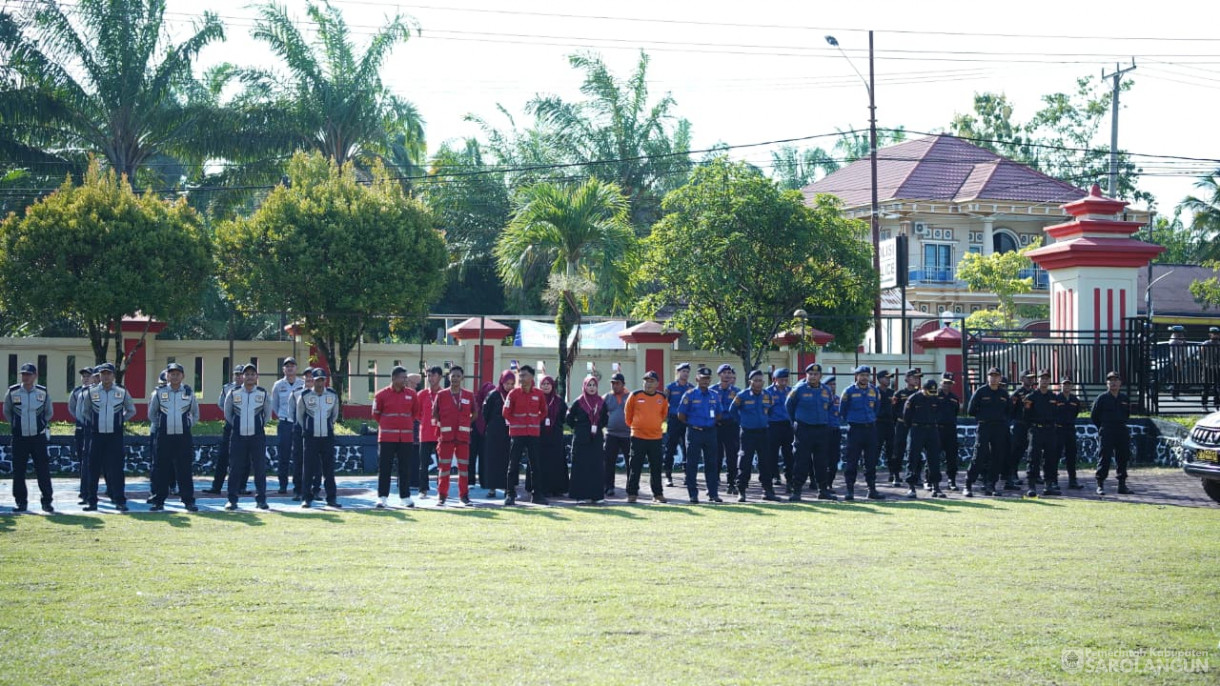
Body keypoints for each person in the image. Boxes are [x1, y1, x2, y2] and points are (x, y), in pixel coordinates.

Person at [80, 362, 135, 511]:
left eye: (108, 373)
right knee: (93, 469)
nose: (106, 376)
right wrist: (94, 422)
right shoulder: (92, 392)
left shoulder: (122, 392)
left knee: (116, 469)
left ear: (113, 375)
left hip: (115, 436)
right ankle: (92, 501)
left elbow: (131, 410)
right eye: (103, 374)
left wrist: (120, 420)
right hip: (96, 435)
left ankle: (119, 500)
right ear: (99, 375)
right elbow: (85, 411)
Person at [147, 363, 199, 512]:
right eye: (172, 374)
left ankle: (188, 500)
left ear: (183, 376)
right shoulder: (159, 393)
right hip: (164, 436)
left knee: (184, 469)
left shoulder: (189, 393)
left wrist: (187, 424)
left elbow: (195, 414)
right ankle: (159, 501)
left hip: (183, 436)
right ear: (167, 376)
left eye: (177, 374)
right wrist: (161, 425)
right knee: (161, 469)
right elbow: (152, 414)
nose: (175, 376)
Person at [3, 362, 55, 513]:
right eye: (23, 374)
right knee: (19, 471)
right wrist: (16, 424)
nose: (25, 377)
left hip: (38, 438)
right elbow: (7, 411)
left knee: (43, 470)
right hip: (20, 438)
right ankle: (21, 502)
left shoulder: (42, 392)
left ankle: (47, 502)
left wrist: (40, 424)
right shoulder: (13, 392)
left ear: (35, 376)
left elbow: (49, 412)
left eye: (28, 374)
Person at [223, 364, 271, 511]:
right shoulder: (233, 393)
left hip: (257, 436)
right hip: (238, 436)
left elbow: (267, 415)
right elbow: (228, 413)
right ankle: (232, 500)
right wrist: (237, 425)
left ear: (257, 377)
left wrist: (258, 424)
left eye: (252, 374)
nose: (249, 377)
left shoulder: (262, 393)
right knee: (235, 468)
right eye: (247, 374)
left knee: (259, 469)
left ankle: (261, 500)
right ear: (242, 376)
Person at [371, 365, 421, 508]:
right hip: (387, 438)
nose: (405, 380)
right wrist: (388, 425)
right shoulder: (381, 395)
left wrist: (405, 424)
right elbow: (376, 414)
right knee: (384, 468)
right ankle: (382, 497)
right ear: (394, 378)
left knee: (405, 468)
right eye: (403, 377)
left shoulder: (412, 394)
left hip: (406, 438)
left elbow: (415, 413)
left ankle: (405, 497)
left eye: (406, 377)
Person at [785, 363, 836, 501]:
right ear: (806, 375)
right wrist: (795, 422)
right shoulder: (799, 389)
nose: (813, 376)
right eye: (810, 374)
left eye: (816, 374)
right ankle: (797, 491)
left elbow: (829, 405)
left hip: (821, 429)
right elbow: (789, 406)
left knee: (821, 461)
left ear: (820, 376)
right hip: (804, 429)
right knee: (801, 461)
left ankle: (823, 490)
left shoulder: (826, 390)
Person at [503, 365, 547, 506]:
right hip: (517, 434)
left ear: (532, 377)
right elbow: (506, 412)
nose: (521, 378)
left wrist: (535, 421)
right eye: (520, 376)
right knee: (513, 465)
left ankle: (537, 495)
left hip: (533, 434)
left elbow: (544, 411)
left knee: (535, 465)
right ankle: (510, 494)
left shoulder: (539, 394)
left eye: (524, 375)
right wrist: (516, 423)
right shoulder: (513, 394)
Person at [433, 365, 477, 506]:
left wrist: (467, 423)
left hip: (463, 437)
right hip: (446, 437)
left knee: (463, 469)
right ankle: (442, 496)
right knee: (444, 468)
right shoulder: (441, 395)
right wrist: (443, 423)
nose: (455, 378)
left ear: (462, 378)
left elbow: (475, 413)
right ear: (449, 377)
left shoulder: (469, 395)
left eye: (458, 376)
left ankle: (464, 496)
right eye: (453, 376)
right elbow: (435, 413)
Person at [840, 364, 885, 501]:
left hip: (870, 429)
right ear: (856, 376)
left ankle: (872, 490)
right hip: (855, 429)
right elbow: (843, 410)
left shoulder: (874, 391)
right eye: (862, 375)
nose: (865, 378)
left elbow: (876, 408)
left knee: (871, 461)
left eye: (867, 375)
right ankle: (850, 490)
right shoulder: (848, 391)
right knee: (852, 461)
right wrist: (853, 419)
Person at [297, 368, 340, 508]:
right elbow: (300, 415)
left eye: (322, 380)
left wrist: (329, 426)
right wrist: (307, 428)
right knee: (308, 469)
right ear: (313, 381)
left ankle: (331, 498)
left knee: (329, 469)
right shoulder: (305, 395)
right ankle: (306, 498)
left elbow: (334, 414)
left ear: (325, 381)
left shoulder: (332, 395)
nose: (319, 383)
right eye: (317, 380)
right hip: (311, 437)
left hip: (327, 436)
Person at [964, 367, 1009, 497]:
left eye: (996, 376)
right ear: (987, 377)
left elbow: (1009, 410)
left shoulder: (1003, 394)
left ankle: (991, 485)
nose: (994, 378)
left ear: (1000, 378)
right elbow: (971, 410)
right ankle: (968, 484)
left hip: (999, 428)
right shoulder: (981, 391)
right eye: (991, 375)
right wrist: (983, 417)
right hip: (984, 426)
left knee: (997, 456)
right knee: (979, 455)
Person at [624, 370, 669, 504]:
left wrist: (653, 425)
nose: (648, 384)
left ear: (657, 384)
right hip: (638, 436)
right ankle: (632, 494)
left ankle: (658, 494)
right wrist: (637, 426)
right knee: (635, 466)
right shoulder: (635, 395)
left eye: (651, 381)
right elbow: (628, 414)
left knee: (656, 467)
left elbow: (663, 415)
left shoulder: (662, 397)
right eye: (646, 381)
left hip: (656, 438)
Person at [677, 367, 720, 503]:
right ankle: (693, 494)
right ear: (697, 379)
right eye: (702, 378)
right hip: (694, 432)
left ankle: (713, 493)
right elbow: (681, 415)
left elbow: (719, 414)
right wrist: (692, 424)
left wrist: (710, 423)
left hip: (710, 432)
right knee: (692, 464)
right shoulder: (689, 394)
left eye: (707, 379)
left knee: (711, 464)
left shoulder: (714, 395)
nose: (705, 381)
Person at [732, 369, 777, 502]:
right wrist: (742, 422)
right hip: (748, 433)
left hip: (763, 432)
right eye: (755, 380)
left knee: (766, 462)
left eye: (760, 381)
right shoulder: (742, 395)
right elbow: (732, 410)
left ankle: (768, 491)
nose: (758, 383)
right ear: (750, 382)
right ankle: (741, 491)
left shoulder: (767, 395)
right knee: (745, 462)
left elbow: (771, 410)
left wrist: (765, 421)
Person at [566, 375, 609, 504]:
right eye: (589, 385)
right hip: (581, 438)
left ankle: (597, 496)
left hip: (596, 439)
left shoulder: (601, 402)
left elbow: (605, 419)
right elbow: (569, 418)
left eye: (594, 385)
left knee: (596, 466)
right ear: (584, 386)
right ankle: (581, 496)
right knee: (581, 466)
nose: (591, 388)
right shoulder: (578, 402)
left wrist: (597, 426)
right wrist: (579, 428)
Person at [204, 365, 246, 495]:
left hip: (245, 424)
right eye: (236, 374)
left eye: (241, 374)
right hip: (230, 424)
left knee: (244, 457)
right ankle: (216, 487)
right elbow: (221, 403)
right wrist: (229, 413)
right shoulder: (227, 388)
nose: (239, 377)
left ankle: (241, 486)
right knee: (223, 456)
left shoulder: (250, 389)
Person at [1092, 371, 1134, 496]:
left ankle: (1122, 485)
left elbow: (1127, 414)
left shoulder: (1124, 398)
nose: (1113, 383)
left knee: (1123, 457)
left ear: (1120, 383)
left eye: (1116, 380)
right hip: (1107, 430)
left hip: (1121, 430)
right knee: (1104, 457)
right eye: (1110, 380)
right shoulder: (1102, 398)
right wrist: (1102, 427)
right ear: (1107, 383)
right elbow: (1094, 416)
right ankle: (1100, 484)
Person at [902, 378, 944, 499]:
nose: (931, 394)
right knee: (913, 457)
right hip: (917, 429)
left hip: (932, 429)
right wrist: (913, 427)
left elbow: (939, 413)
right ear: (923, 389)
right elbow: (906, 416)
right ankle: (911, 487)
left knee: (934, 458)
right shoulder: (914, 398)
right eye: (929, 391)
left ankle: (936, 486)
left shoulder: (935, 398)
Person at [1023, 370, 1061, 497]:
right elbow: (1025, 416)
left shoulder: (1054, 397)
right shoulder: (1031, 397)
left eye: (1047, 378)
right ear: (1037, 380)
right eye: (1042, 378)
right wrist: (1031, 429)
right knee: (1033, 458)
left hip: (1050, 431)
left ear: (1049, 381)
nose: (1044, 381)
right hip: (1036, 430)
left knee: (1050, 458)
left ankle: (1048, 486)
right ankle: (1031, 486)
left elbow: (1058, 414)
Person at [270, 357, 304, 495]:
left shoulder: (302, 384)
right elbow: (275, 405)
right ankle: (282, 485)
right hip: (284, 423)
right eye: (287, 366)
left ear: (296, 368)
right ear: (283, 369)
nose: (290, 368)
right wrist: (282, 415)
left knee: (298, 455)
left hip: (298, 424)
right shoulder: (278, 385)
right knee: (283, 455)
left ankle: (298, 485)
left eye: (292, 366)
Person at [480, 371, 514, 499]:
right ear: (501, 382)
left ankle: (507, 488)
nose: (509, 386)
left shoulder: (515, 395)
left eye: (512, 383)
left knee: (507, 460)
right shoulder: (493, 394)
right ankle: (492, 489)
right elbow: (485, 413)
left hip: (509, 432)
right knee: (493, 460)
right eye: (507, 383)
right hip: (494, 433)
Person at [415, 366, 445, 498]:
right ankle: (423, 489)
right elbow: (416, 413)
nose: (430, 378)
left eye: (433, 375)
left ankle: (441, 489)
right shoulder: (421, 394)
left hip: (440, 434)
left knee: (442, 464)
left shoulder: (445, 394)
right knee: (423, 464)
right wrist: (424, 420)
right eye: (428, 375)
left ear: (440, 377)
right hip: (425, 434)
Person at [538, 375, 569, 498]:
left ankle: (557, 488)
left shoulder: (559, 401)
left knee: (556, 461)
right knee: (542, 461)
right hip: (540, 435)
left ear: (552, 386)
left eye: (548, 384)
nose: (546, 386)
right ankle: (543, 488)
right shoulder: (536, 399)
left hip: (555, 435)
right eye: (543, 384)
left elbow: (563, 418)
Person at [889, 369, 921, 487]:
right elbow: (893, 410)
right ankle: (896, 475)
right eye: (914, 377)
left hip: (915, 425)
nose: (917, 380)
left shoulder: (920, 394)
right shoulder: (899, 394)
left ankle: (916, 475)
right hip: (902, 424)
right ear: (907, 379)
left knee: (916, 450)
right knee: (898, 449)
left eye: (918, 378)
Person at [663, 362, 693, 487]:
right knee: (670, 448)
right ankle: (668, 476)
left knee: (688, 448)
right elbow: (664, 403)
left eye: (687, 372)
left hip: (686, 421)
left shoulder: (691, 388)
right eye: (683, 371)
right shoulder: (670, 387)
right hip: (674, 420)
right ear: (678, 372)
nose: (685, 374)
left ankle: (687, 475)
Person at [602, 372, 631, 497]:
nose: (615, 385)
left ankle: (631, 486)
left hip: (628, 434)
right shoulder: (606, 397)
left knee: (630, 462)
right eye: (613, 383)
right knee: (609, 462)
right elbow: (600, 414)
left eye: (617, 383)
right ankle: (609, 486)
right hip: (611, 434)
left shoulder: (630, 397)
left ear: (623, 384)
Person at [714, 364, 742, 495]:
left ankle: (731, 483)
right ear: (719, 375)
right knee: (716, 456)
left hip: (731, 426)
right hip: (716, 426)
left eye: (729, 373)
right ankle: (714, 483)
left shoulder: (737, 391)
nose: (727, 375)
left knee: (732, 456)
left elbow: (740, 409)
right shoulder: (712, 391)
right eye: (724, 373)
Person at [764, 368, 794, 493]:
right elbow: (765, 410)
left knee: (789, 454)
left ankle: (790, 480)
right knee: (772, 453)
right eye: (781, 380)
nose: (784, 382)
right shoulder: (768, 392)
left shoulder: (791, 391)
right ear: (774, 379)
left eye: (786, 379)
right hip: (773, 425)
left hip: (787, 425)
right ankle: (774, 476)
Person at [68, 366, 93, 505]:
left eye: (88, 376)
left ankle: (90, 490)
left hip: (93, 429)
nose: (85, 378)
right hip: (80, 428)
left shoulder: (96, 391)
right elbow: (72, 408)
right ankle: (84, 488)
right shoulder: (76, 392)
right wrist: (79, 419)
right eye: (83, 376)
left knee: (91, 461)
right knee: (81, 458)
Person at [1007, 371, 1036, 490]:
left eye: (1032, 378)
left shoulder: (1034, 393)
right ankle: (1011, 474)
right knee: (1015, 450)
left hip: (1030, 426)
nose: (1030, 380)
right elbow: (1010, 409)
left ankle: (1034, 475)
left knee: (1025, 450)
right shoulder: (1017, 393)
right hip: (1019, 425)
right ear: (1022, 379)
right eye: (1028, 378)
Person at [1055, 377, 1085, 490]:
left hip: (1070, 429)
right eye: (1064, 384)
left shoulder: (1075, 399)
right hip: (1058, 429)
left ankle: (1073, 481)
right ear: (1061, 385)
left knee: (1071, 456)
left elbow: (1076, 413)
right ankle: (1053, 481)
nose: (1066, 386)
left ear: (1072, 386)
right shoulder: (1056, 398)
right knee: (1055, 455)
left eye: (1069, 384)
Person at [936, 373, 962, 491]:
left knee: (952, 456)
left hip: (950, 429)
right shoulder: (935, 395)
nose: (947, 385)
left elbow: (956, 412)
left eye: (950, 383)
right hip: (937, 429)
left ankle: (952, 480)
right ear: (941, 382)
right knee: (934, 455)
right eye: (945, 382)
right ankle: (930, 479)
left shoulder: (954, 397)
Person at [471, 379, 496, 489]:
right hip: (473, 430)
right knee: (471, 457)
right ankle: (470, 481)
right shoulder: (475, 400)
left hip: (487, 432)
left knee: (484, 457)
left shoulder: (494, 401)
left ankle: (484, 481)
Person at [875, 370, 896, 491]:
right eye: (886, 378)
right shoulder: (874, 392)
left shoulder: (892, 393)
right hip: (878, 424)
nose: (888, 380)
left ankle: (893, 473)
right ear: (879, 379)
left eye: (889, 378)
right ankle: (872, 473)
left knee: (891, 450)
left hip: (890, 424)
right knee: (875, 449)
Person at [825, 375, 841, 488]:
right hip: (824, 431)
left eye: (834, 384)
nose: (832, 386)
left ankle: (830, 483)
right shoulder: (821, 398)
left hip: (835, 431)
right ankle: (822, 483)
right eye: (830, 384)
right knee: (823, 459)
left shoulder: (838, 399)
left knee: (834, 459)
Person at [1201, 327, 1220, 411]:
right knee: (1206, 387)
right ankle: (1204, 405)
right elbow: (1202, 356)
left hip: (1217, 368)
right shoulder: (1206, 343)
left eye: (1217, 334)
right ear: (1210, 334)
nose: (1216, 335)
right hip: (1207, 367)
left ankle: (1217, 406)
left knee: (1217, 388)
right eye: (1214, 333)